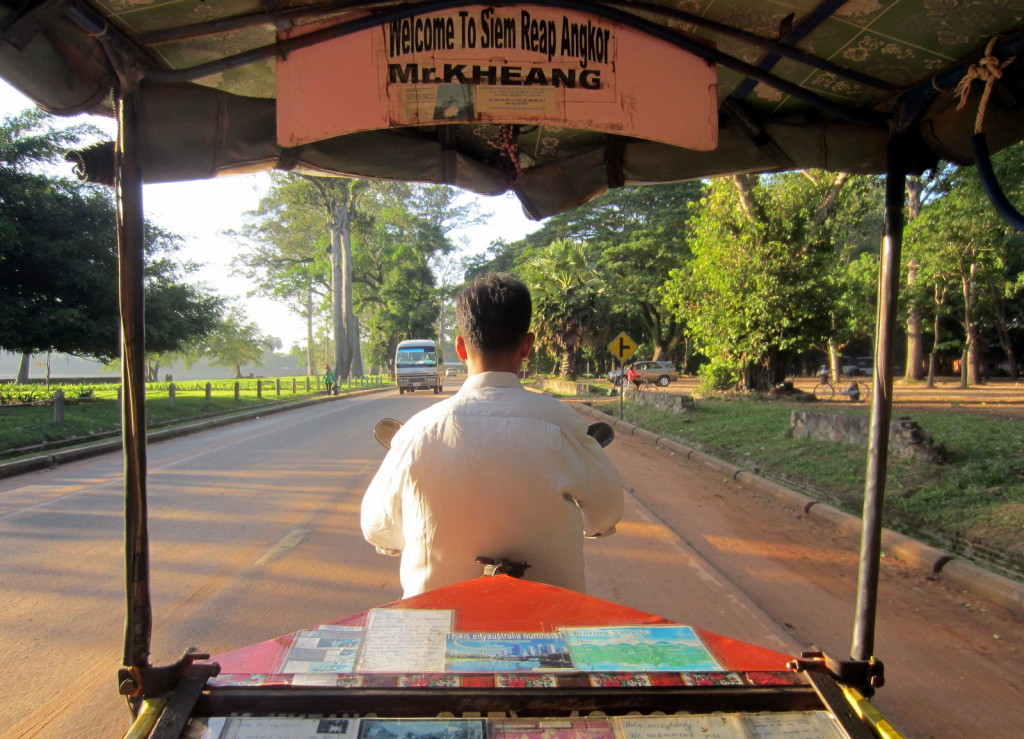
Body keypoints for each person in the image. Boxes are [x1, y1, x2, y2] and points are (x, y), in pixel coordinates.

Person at [361, 273, 623, 598]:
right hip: (548, 616)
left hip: (437, 617)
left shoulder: (417, 431)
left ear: (460, 347)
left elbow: (377, 527)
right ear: (527, 345)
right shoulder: (563, 425)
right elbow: (606, 514)